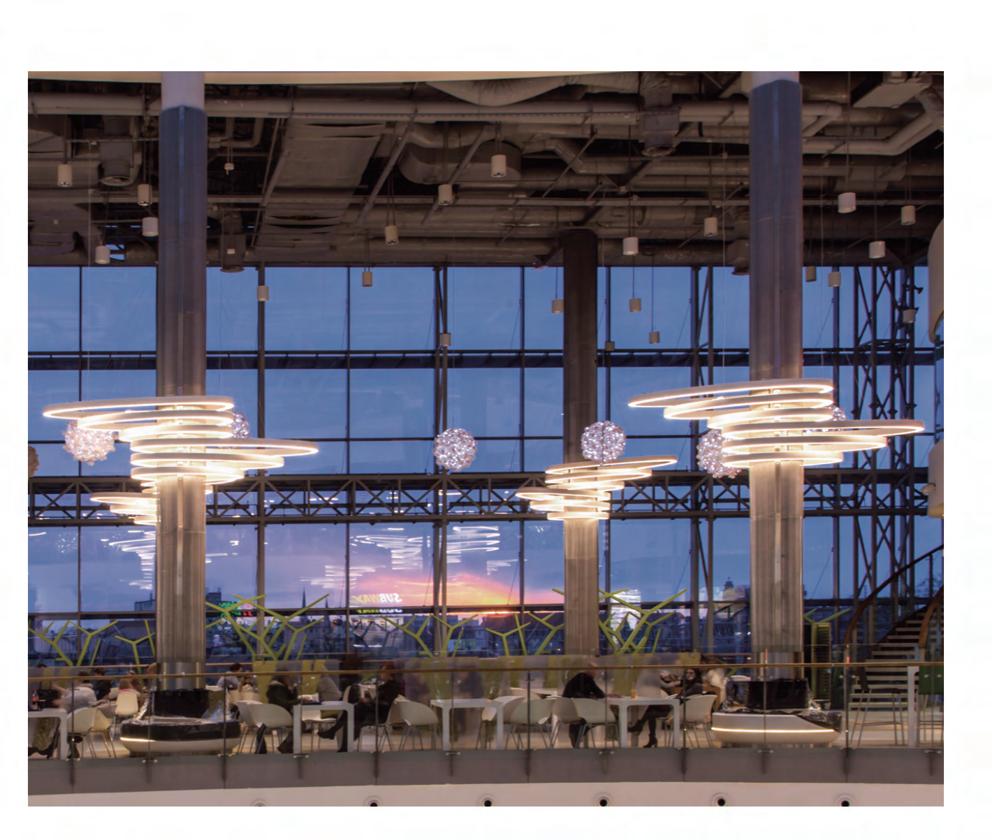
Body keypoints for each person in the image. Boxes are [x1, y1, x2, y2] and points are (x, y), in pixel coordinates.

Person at [630, 667, 706, 748]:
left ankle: (640, 726)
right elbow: (681, 696)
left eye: (691, 673)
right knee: (651, 710)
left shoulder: (696, 686)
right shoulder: (689, 684)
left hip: (680, 710)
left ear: (696, 675)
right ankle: (650, 736)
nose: (688, 675)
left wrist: (674, 698)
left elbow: (683, 697)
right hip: (677, 707)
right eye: (687, 673)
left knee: (651, 710)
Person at [562, 660, 606, 748]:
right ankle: (578, 734)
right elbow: (600, 694)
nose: (595, 673)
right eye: (594, 670)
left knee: (584, 718)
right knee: (590, 717)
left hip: (567, 710)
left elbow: (581, 693)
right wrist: (592, 696)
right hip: (577, 711)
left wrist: (590, 696)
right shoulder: (587, 678)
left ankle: (577, 734)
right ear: (589, 670)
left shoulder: (578, 678)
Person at [262, 671, 299, 753]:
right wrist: (300, 701)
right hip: (280, 715)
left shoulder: (279, 688)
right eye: (289, 677)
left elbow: (291, 700)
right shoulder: (277, 689)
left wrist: (293, 689)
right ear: (283, 678)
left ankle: (287, 745)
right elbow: (284, 703)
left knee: (299, 723)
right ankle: (286, 745)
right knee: (300, 724)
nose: (290, 679)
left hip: (277, 714)